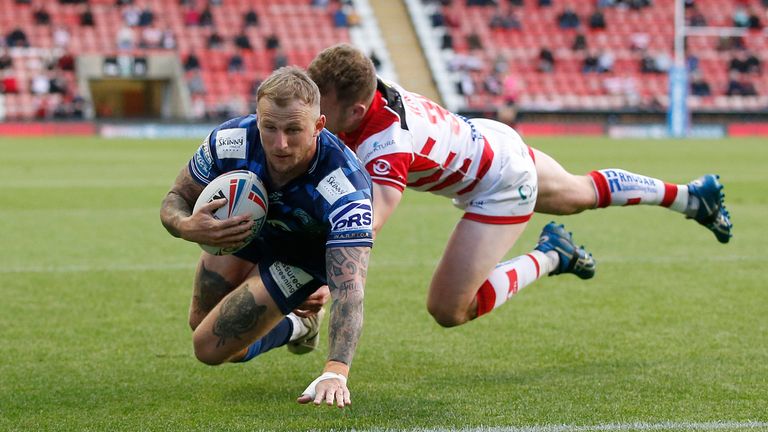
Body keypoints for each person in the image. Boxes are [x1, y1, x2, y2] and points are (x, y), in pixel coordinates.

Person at [306, 43, 732, 328]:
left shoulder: (387, 144)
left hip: (499, 185)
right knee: (582, 193)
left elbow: (369, 222)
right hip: (490, 140)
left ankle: (550, 255)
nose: (314, 118)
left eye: (320, 109)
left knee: (448, 309)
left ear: (358, 109)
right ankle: (692, 197)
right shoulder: (369, 88)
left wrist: (318, 278)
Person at [159, 66, 373, 408]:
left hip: (302, 256)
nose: (280, 143)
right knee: (200, 322)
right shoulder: (230, 141)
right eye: (269, 127)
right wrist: (187, 225)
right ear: (256, 117)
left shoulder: (346, 187)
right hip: (248, 229)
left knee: (208, 348)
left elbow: (350, 290)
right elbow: (176, 198)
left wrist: (335, 370)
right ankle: (297, 325)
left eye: (293, 130)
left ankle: (296, 327)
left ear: (319, 125)